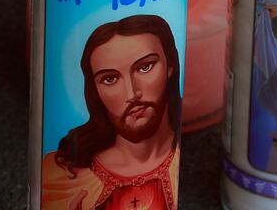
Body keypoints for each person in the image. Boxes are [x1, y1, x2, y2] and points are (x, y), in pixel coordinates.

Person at [42, 15, 181, 210]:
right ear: (95, 91)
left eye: (145, 67)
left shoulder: (184, 160)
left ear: (170, 65)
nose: (132, 94)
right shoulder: (60, 174)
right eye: (110, 79)